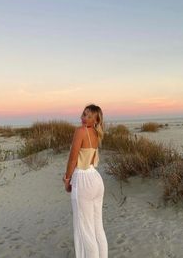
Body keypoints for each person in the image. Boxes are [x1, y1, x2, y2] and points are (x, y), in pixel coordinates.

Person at [63, 104, 108, 258]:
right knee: (97, 227)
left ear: (95, 120)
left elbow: (73, 158)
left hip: (83, 180)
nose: (84, 118)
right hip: (95, 179)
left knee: (86, 230)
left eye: (89, 116)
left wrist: (67, 179)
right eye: (84, 114)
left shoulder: (80, 131)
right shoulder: (96, 133)